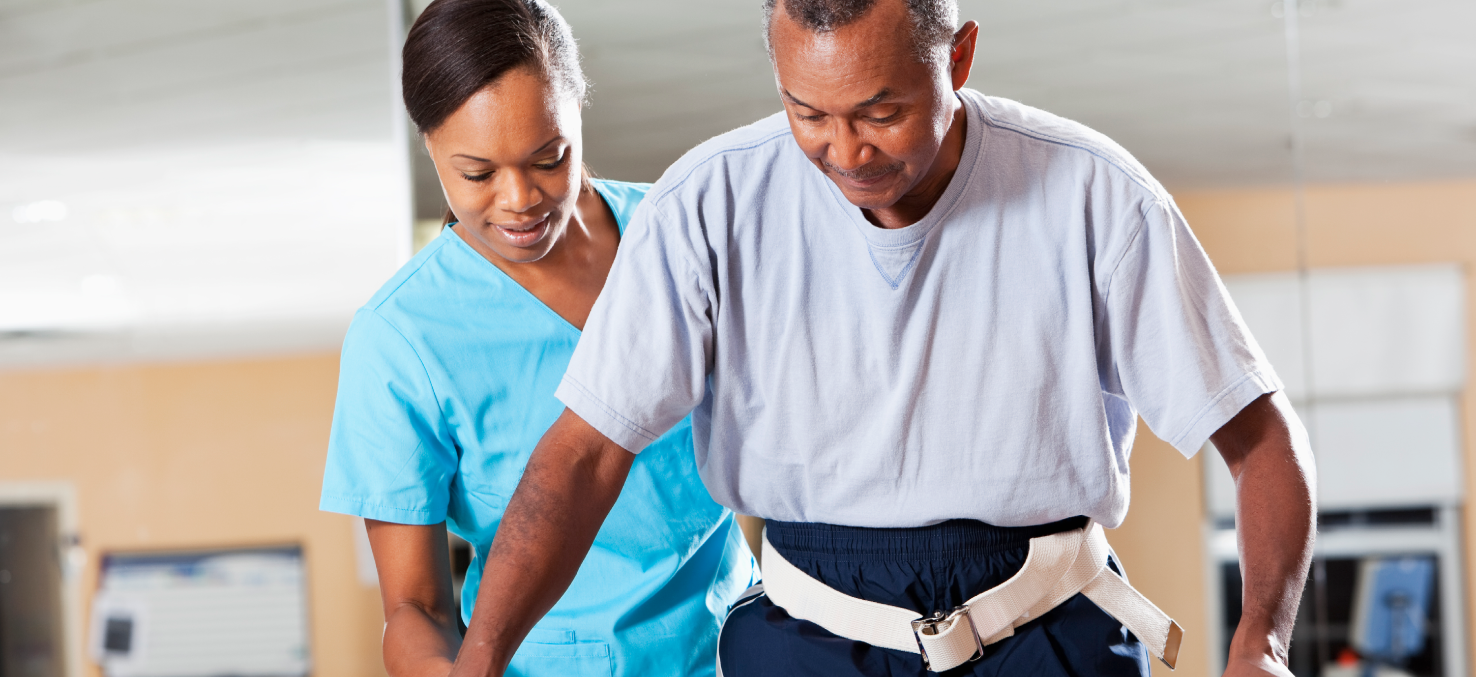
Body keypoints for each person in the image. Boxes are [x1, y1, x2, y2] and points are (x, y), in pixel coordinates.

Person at [450, 0, 1317, 675]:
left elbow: (1260, 440)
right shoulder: (705, 206)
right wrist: (481, 657)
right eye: (808, 113)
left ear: (960, 57)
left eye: (880, 110)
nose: (845, 151)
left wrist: (1261, 643)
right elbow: (582, 455)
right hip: (804, 643)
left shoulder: (1095, 196)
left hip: (1048, 636)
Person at [317, 1, 757, 676]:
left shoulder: (675, 238)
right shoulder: (401, 337)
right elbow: (416, 607)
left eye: (548, 157)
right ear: (429, 143)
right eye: (478, 173)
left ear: (578, 110)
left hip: (739, 642)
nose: (520, 198)